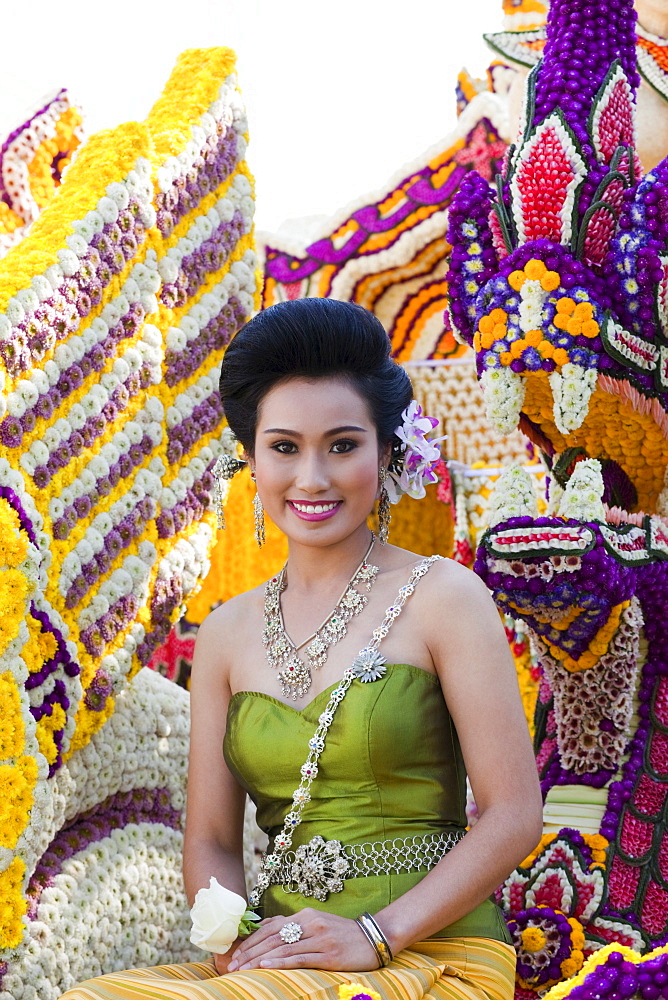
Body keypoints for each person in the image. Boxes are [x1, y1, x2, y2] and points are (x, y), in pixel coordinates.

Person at [59, 298, 543, 1000]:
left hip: (434, 952)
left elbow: (513, 815)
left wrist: (376, 933)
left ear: (386, 450)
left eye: (343, 445)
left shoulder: (445, 596)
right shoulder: (225, 632)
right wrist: (229, 943)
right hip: (283, 962)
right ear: (251, 459)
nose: (312, 478)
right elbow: (214, 842)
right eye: (284, 447)